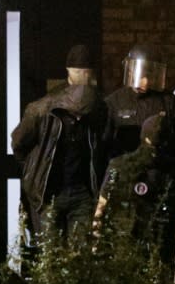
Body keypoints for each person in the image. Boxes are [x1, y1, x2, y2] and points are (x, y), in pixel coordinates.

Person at [11, 44, 106, 240]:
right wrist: (33, 169)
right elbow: (19, 143)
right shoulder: (44, 109)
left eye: (85, 72)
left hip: (76, 192)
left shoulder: (96, 108)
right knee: (54, 256)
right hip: (50, 192)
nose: (84, 76)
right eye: (81, 72)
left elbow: (19, 143)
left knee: (71, 257)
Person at [93, 112, 175, 266]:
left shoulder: (118, 166)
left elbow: (103, 203)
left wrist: (96, 238)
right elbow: (103, 202)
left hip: (144, 240)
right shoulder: (118, 167)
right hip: (133, 240)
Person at [103, 44, 175, 161]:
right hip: (126, 170)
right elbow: (105, 145)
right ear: (129, 71)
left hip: (160, 169)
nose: (145, 82)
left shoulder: (170, 103)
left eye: (149, 76)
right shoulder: (114, 102)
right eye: (141, 75)